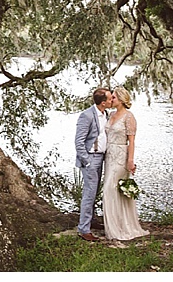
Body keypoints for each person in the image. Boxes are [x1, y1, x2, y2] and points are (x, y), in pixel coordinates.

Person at [101, 86, 150, 240]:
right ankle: (115, 226)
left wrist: (130, 161)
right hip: (109, 157)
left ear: (121, 100)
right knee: (111, 190)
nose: (110, 100)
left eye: (113, 97)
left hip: (121, 157)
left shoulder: (129, 117)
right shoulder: (111, 115)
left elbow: (132, 142)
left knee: (111, 189)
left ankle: (120, 229)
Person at [75, 87, 113, 241]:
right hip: (91, 158)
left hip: (102, 157)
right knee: (89, 193)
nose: (112, 100)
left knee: (95, 191)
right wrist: (87, 161)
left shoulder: (106, 114)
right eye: (110, 98)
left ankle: (91, 221)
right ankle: (83, 229)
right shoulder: (87, 115)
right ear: (103, 102)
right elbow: (79, 141)